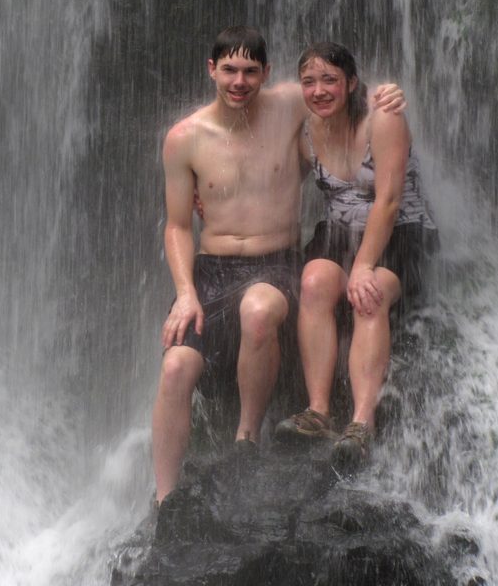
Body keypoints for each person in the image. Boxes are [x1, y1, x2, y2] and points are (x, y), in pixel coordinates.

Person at [151, 27, 404, 504]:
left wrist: (389, 91)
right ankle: (164, 501)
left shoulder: (293, 103)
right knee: (174, 369)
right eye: (229, 69)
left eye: (250, 71)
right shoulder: (183, 138)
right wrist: (185, 292)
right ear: (211, 70)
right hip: (211, 270)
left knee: (260, 310)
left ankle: (245, 440)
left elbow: (343, 93)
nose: (239, 81)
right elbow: (178, 226)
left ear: (268, 74)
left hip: (275, 262)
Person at [274, 42, 438, 470]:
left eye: (330, 79)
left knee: (371, 294)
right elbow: (268, 173)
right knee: (313, 284)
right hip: (337, 233)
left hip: (398, 234)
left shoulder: (383, 117)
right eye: (309, 81)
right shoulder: (304, 130)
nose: (319, 90)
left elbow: (387, 201)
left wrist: (364, 265)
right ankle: (318, 412)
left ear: (350, 83)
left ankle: (361, 424)